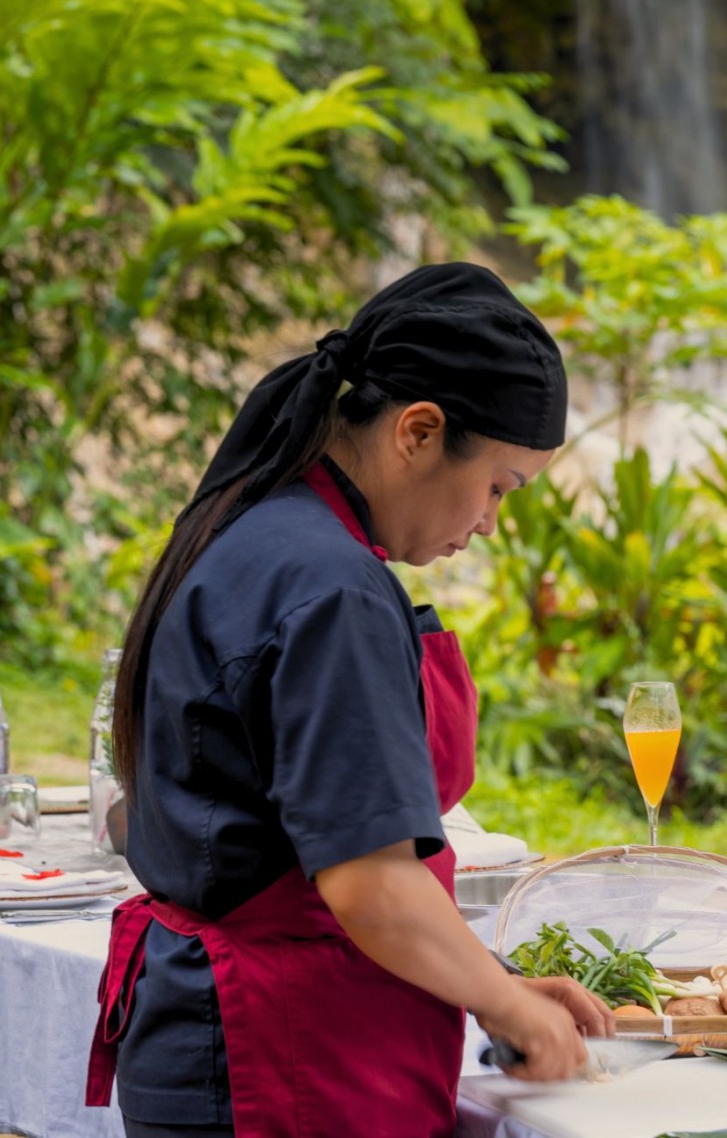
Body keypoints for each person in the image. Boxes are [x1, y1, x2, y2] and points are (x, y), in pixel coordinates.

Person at [84, 265, 612, 1138]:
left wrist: (493, 979)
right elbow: (368, 882)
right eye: (499, 486)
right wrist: (515, 1012)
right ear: (418, 431)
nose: (488, 522)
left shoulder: (251, 523)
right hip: (283, 1057)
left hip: (223, 1030)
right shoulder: (334, 587)